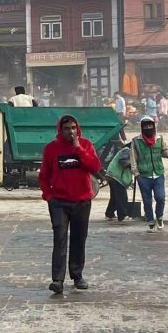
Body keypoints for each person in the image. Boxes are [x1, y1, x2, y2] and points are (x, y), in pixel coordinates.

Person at [39, 115, 101, 294]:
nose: (70, 132)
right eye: (67, 128)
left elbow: (95, 167)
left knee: (79, 238)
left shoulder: (86, 145)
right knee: (59, 238)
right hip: (59, 202)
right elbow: (44, 176)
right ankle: (57, 280)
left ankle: (77, 275)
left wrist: (79, 149)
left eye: (73, 128)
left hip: (82, 201)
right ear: (60, 130)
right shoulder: (51, 149)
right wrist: (49, 196)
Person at [131, 117, 168, 232]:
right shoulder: (136, 141)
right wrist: (136, 174)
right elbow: (133, 158)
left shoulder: (159, 138)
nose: (148, 128)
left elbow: (163, 151)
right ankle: (150, 220)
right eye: (146, 126)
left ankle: (159, 217)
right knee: (147, 200)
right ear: (142, 127)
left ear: (154, 126)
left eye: (150, 126)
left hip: (158, 173)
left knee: (160, 198)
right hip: (144, 175)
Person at [104, 144, 132, 222]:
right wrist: (133, 165)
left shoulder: (126, 150)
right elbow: (123, 161)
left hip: (112, 175)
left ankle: (109, 214)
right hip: (116, 176)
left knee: (115, 197)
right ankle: (122, 215)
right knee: (121, 196)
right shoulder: (127, 150)